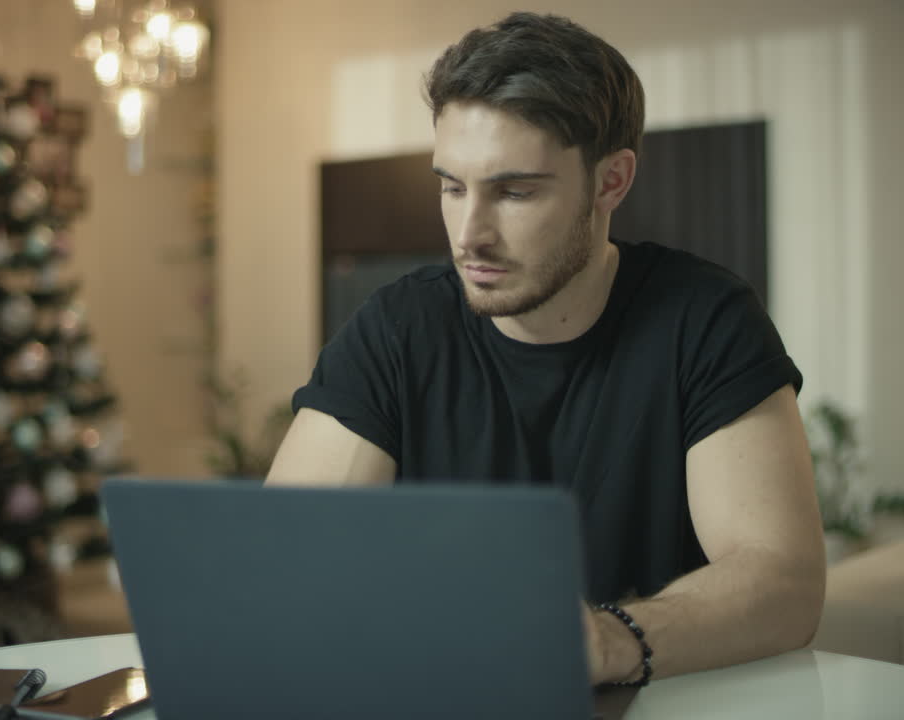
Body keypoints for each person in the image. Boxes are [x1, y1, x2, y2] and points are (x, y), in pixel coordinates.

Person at [266, 11, 825, 688]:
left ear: (611, 181)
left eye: (515, 191)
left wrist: (607, 641)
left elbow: (782, 581)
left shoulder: (705, 320)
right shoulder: (397, 326)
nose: (469, 234)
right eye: (451, 187)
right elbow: (283, 560)